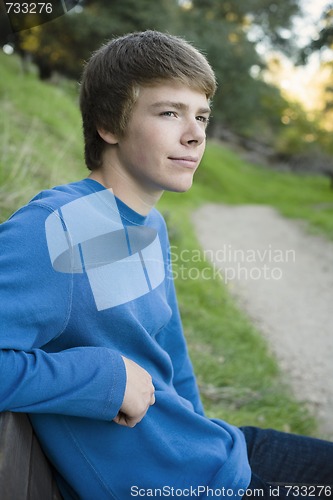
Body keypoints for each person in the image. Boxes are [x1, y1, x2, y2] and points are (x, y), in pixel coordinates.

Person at [0, 30, 332, 499]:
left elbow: (170, 356)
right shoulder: (55, 229)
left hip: (214, 450)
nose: (195, 134)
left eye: (201, 116)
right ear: (108, 125)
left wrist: (196, 423)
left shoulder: (148, 225)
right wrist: (102, 378)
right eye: (170, 112)